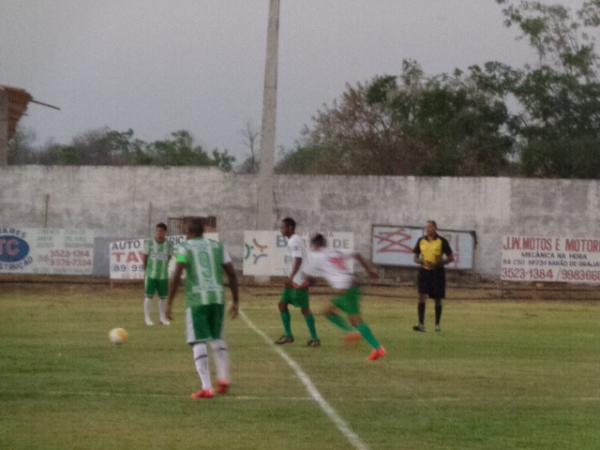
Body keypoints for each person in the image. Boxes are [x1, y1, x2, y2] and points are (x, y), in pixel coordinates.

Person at [166, 218, 239, 400]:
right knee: (216, 337)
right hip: (217, 298)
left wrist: (169, 302)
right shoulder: (218, 247)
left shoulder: (184, 247)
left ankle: (206, 388)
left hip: (198, 300)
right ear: (203, 231)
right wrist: (236, 300)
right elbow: (231, 272)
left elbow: (177, 272)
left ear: (188, 232)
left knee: (197, 341)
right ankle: (223, 378)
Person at [306, 234, 386, 361]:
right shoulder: (334, 251)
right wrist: (369, 270)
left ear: (315, 245)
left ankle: (377, 348)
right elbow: (357, 254)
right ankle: (361, 338)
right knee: (328, 311)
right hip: (350, 287)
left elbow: (310, 278)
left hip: (347, 289)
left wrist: (306, 282)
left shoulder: (315, 255)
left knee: (356, 320)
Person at [274, 217, 320, 348]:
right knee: (282, 304)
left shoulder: (294, 241)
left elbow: (298, 260)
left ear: (290, 228)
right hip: (294, 280)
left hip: (298, 281)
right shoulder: (293, 240)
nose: (281, 230)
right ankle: (288, 336)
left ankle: (315, 338)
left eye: (283, 227)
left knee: (305, 309)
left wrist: (291, 277)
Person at [413, 220, 454, 333]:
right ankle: (421, 324)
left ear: (435, 228)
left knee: (437, 299)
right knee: (421, 297)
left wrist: (438, 263)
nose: (428, 229)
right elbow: (415, 258)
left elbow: (451, 258)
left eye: (430, 227)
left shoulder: (442, 241)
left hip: (437, 273)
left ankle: (437, 325)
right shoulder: (421, 241)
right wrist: (422, 261)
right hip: (424, 272)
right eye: (427, 227)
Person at [142, 222, 174, 326]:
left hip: (163, 275)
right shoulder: (149, 242)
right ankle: (147, 318)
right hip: (151, 274)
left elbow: (169, 256)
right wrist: (146, 270)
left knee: (163, 297)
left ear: (165, 232)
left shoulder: (169, 244)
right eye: (157, 231)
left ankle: (162, 318)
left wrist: (164, 267)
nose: (159, 233)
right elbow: (145, 256)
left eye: (161, 231)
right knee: (148, 296)